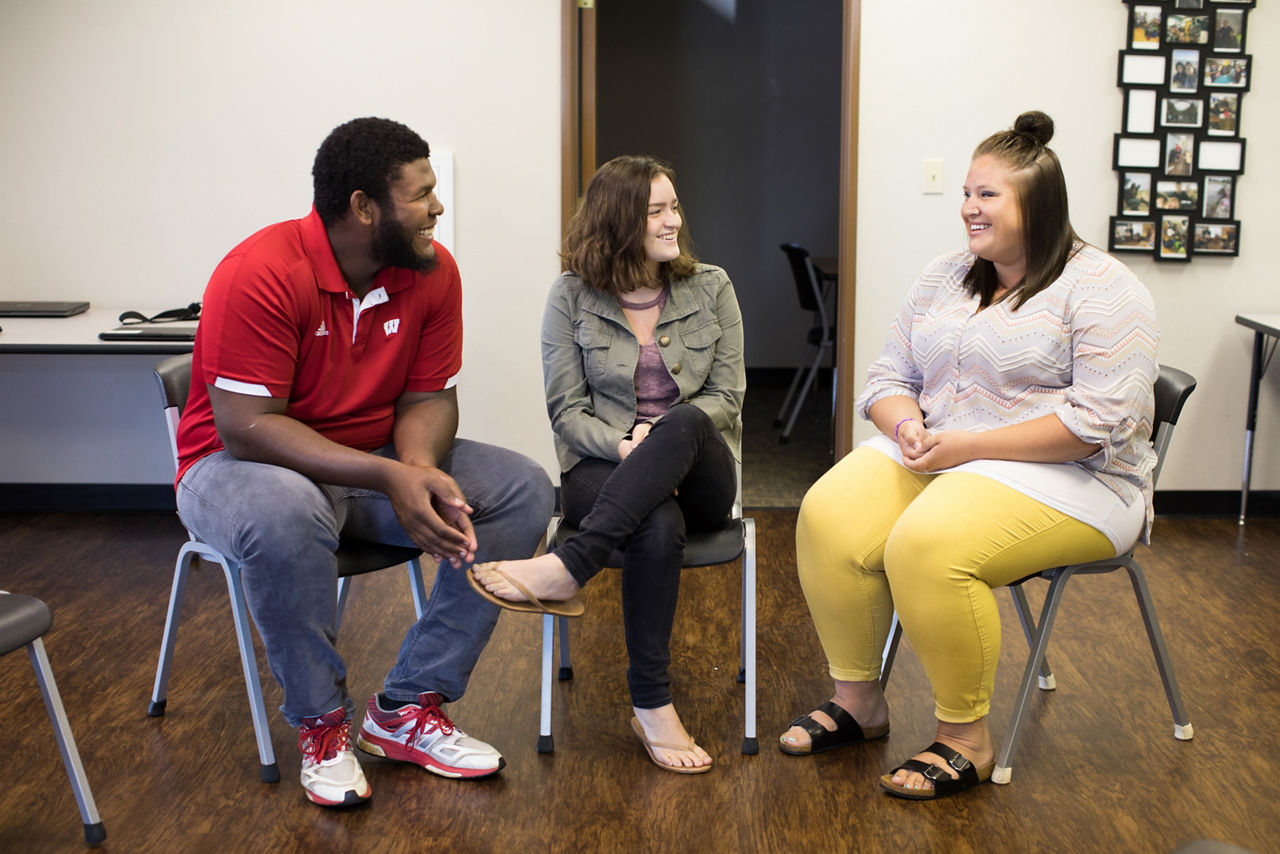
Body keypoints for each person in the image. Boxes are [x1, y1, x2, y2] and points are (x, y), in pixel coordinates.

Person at [174, 117, 555, 807]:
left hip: (370, 461)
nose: (439, 207)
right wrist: (392, 476)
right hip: (235, 470)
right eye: (424, 192)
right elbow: (247, 428)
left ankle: (408, 709)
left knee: (522, 488)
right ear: (363, 207)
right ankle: (322, 727)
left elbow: (431, 395)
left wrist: (414, 467)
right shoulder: (260, 271)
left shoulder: (430, 271)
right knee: (285, 509)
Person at [778, 111, 1158, 800]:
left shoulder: (1105, 289)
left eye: (987, 196)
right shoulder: (946, 275)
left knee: (926, 544)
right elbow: (887, 378)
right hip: (947, 456)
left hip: (1079, 477)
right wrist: (908, 428)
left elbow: (1094, 426)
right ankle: (858, 703)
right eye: (965, 193)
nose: (967, 210)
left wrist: (966, 446)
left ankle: (965, 740)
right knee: (827, 512)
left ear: (1036, 206)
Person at [468, 155, 745, 774]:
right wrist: (628, 447)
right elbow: (566, 412)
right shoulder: (570, 297)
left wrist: (664, 436)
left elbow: (726, 399)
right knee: (655, 523)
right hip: (605, 465)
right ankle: (652, 706)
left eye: (675, 206)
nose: (674, 221)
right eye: (656, 211)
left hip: (700, 470)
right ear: (620, 221)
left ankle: (568, 568)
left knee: (688, 420)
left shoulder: (712, 287)